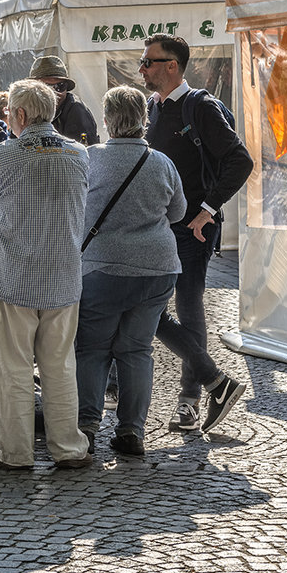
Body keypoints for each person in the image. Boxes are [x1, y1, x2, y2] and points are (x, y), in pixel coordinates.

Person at [0, 78, 93, 471]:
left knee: (12, 366)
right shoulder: (78, 154)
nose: (7, 119)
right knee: (60, 365)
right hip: (63, 275)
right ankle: (69, 448)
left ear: (20, 115)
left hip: (14, 275)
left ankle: (16, 452)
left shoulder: (4, 155)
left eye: (9, 112)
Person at [141, 34, 253, 433]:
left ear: (172, 65)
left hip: (191, 230)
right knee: (148, 307)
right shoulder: (153, 108)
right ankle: (216, 383)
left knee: (187, 310)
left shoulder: (199, 106)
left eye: (149, 62)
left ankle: (189, 402)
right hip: (159, 228)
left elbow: (240, 161)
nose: (142, 69)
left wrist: (208, 209)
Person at [75, 86, 186, 457]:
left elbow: (74, 211)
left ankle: (87, 427)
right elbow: (178, 213)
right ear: (144, 119)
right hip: (156, 269)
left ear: (106, 120)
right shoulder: (162, 163)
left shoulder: (89, 159)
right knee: (136, 350)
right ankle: (131, 432)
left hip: (103, 269)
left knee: (92, 349)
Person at [29, 55, 99, 145]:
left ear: (67, 87)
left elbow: (82, 152)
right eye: (46, 87)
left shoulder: (77, 111)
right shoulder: (25, 108)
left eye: (60, 86)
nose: (53, 93)